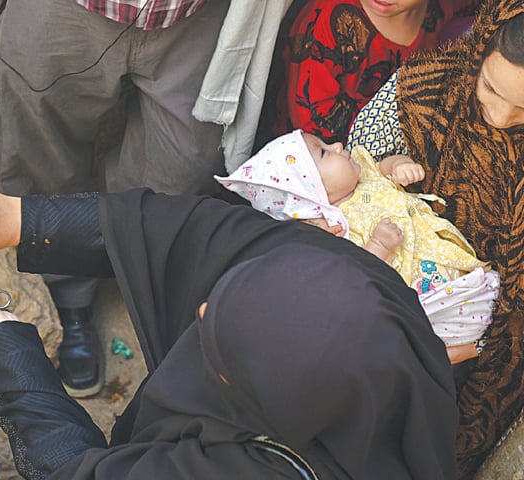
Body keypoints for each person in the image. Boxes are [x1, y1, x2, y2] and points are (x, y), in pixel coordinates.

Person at [0, 186, 458, 479]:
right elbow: (206, 234)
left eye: (220, 346)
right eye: (220, 297)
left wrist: (2, 342)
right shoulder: (366, 297)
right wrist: (24, 219)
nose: (198, 310)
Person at [0, 0, 290, 397]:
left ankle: (139, 281)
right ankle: (68, 296)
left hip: (198, 12)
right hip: (64, 8)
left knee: (187, 167)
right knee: (42, 153)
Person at [347, 0, 524, 476]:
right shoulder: (425, 88)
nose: (500, 116)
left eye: (523, 108)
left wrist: (475, 345)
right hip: (382, 273)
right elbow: (357, 161)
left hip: (480, 338)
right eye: (490, 88)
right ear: (481, 47)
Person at [217, 128, 500, 364]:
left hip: (445, 256)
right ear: (310, 194)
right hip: (419, 295)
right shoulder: (337, 234)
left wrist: (400, 166)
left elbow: (385, 166)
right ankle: (472, 349)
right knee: (412, 341)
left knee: (490, 290)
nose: (339, 145)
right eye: (325, 152)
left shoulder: (363, 168)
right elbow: (355, 280)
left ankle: (485, 334)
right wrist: (378, 244)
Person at [254, 0, 479, 151]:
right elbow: (315, 126)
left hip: (408, 161)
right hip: (327, 168)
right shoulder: (328, 18)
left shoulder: (446, 7)